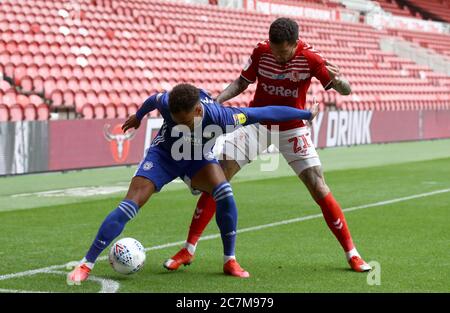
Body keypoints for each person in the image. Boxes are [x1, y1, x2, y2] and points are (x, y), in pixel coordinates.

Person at [164, 18, 371, 273]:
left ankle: (352, 254)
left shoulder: (311, 59)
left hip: (292, 126)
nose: (278, 57)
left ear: (295, 44)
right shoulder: (262, 51)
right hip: (257, 122)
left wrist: (340, 83)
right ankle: (189, 249)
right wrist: (216, 102)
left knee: (318, 185)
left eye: (283, 53)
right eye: (274, 51)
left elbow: (346, 90)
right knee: (217, 179)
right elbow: (241, 83)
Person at [67, 83, 319, 284]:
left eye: (185, 122)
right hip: (164, 156)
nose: (181, 125)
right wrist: (139, 116)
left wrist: (306, 114)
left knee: (225, 193)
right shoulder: (169, 103)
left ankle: (229, 260)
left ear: (198, 111)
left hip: (198, 159)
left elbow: (266, 113)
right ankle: (86, 264)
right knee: (129, 205)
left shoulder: (224, 117)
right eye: (175, 120)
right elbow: (155, 98)